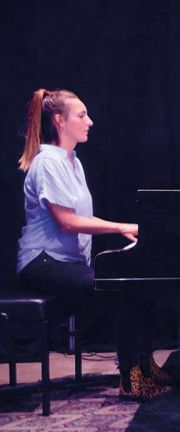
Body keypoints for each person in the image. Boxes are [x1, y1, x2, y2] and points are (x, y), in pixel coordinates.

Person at [16, 88, 170, 399]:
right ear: (59, 121)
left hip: (64, 262)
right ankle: (131, 378)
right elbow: (68, 221)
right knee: (122, 287)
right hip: (41, 263)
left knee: (137, 283)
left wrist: (120, 230)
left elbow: (81, 218)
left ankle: (146, 365)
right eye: (82, 115)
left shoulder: (73, 161)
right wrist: (121, 226)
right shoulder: (48, 163)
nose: (90, 121)